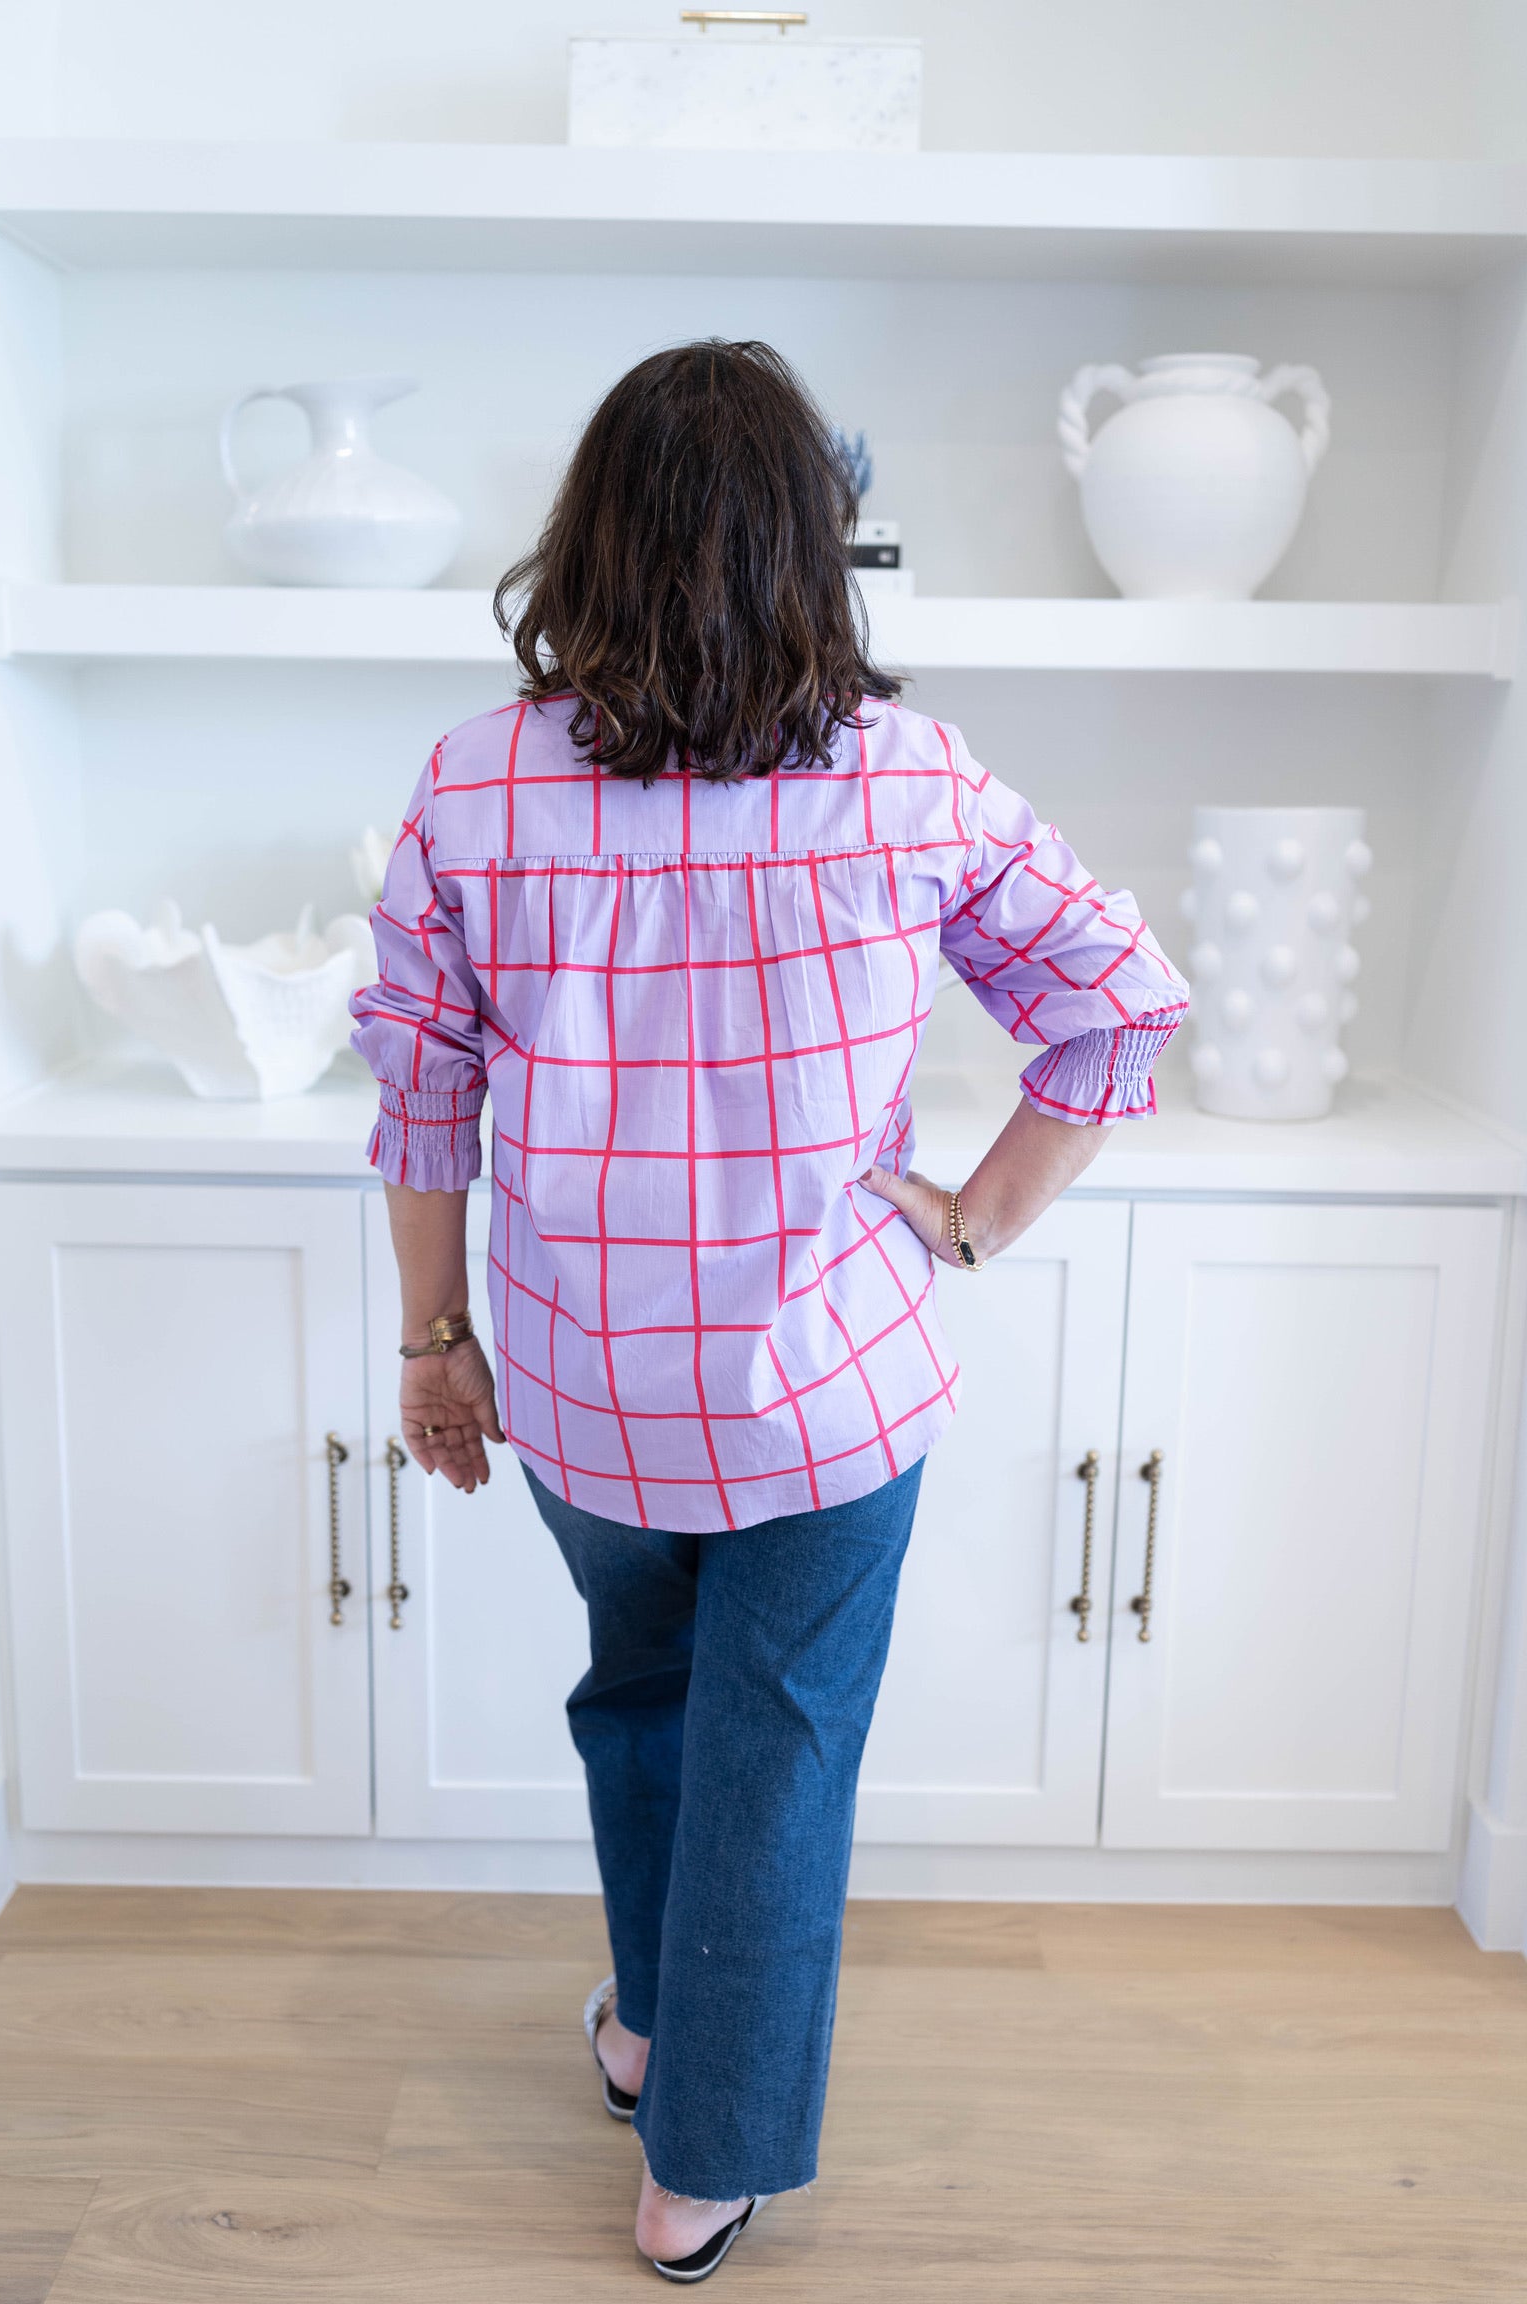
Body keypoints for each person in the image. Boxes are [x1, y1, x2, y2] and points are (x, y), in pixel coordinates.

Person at [351, 339, 1187, 2283]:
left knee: (640, 1698)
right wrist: (970, 1224)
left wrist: (431, 1340)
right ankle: (697, 2170)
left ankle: (653, 2035)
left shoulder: (476, 781)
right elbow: (1119, 1002)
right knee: (777, 1753)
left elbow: (418, 1089)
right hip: (825, 1392)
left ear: (592, 539)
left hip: (578, 1384)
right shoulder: (908, 781)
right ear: (815, 543)